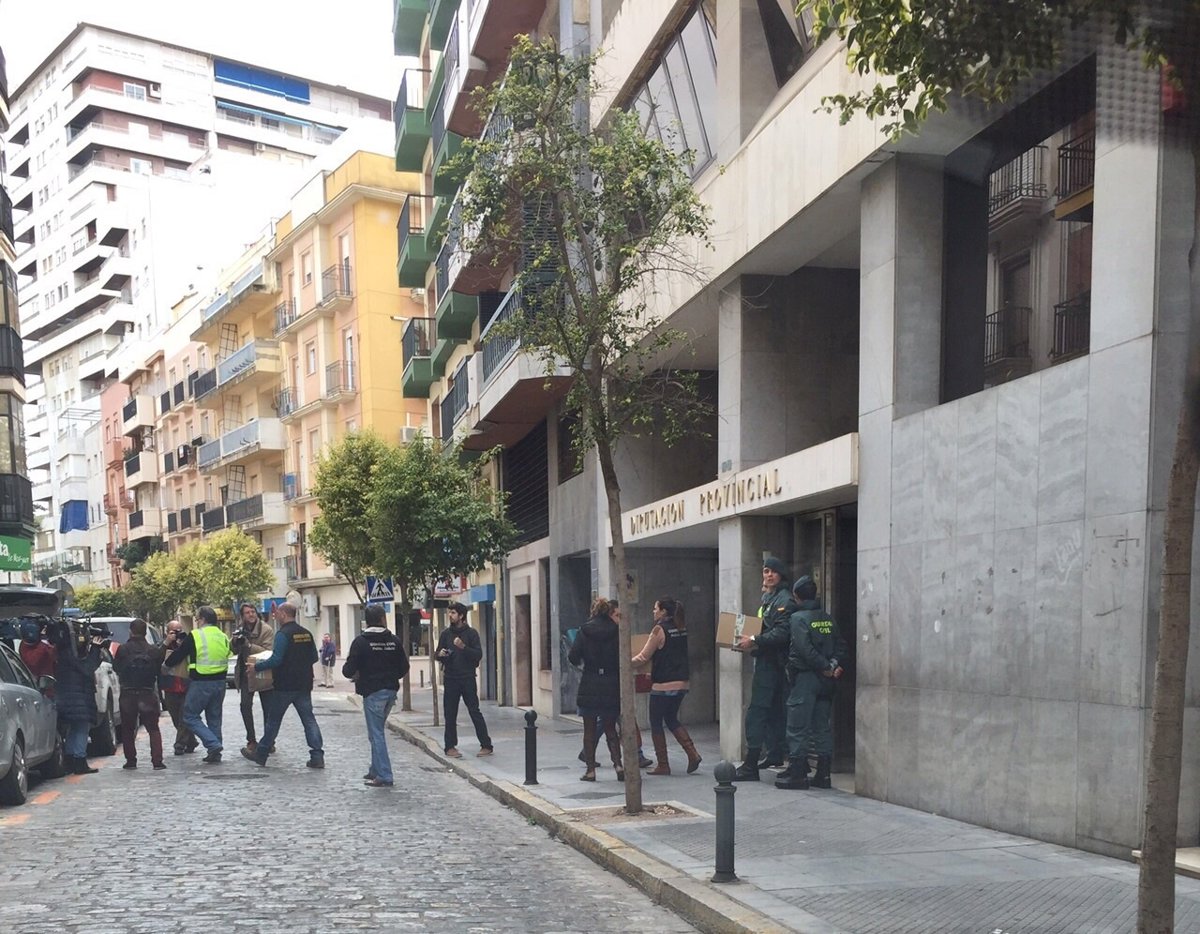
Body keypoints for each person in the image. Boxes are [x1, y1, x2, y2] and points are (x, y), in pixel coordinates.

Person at [776, 576, 848, 790]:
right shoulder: (827, 618)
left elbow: (804, 649)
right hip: (826, 681)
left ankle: (798, 774)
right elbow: (841, 646)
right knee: (821, 727)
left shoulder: (798, 618)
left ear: (796, 596)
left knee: (797, 726)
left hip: (806, 678)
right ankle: (823, 775)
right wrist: (832, 666)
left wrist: (824, 666)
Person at [733, 556, 796, 781]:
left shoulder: (784, 600)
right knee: (773, 713)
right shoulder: (769, 598)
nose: (768, 575)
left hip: (774, 665)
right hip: (768, 661)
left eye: (773, 572)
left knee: (758, 712)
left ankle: (751, 764)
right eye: (765, 571)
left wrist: (754, 639)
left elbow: (781, 633)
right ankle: (774, 753)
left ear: (781, 575)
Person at [244, 601, 324, 768]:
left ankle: (261, 753)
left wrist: (256, 667)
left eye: (278, 614)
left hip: (285, 685)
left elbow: (276, 659)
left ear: (284, 614)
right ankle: (317, 756)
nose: (276, 617)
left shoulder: (283, 634)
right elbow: (314, 657)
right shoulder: (306, 633)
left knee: (273, 721)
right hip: (304, 684)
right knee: (309, 720)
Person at [631, 597, 701, 776]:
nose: (653, 611)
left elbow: (644, 656)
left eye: (655, 608)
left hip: (662, 685)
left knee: (656, 723)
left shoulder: (659, 629)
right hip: (682, 682)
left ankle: (663, 764)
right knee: (671, 718)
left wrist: (625, 663)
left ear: (663, 611)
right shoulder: (681, 627)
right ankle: (692, 753)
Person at [342, 604, 410, 787]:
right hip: (390, 691)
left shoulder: (360, 642)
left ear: (367, 621)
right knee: (376, 731)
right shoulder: (394, 640)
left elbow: (347, 670)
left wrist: (361, 674)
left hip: (372, 692)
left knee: (376, 733)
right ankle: (375, 768)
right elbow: (404, 667)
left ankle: (384, 774)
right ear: (382, 619)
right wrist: (390, 676)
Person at [166, 605, 233, 764]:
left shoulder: (196, 635)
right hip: (220, 683)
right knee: (214, 718)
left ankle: (213, 744)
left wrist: (167, 663)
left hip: (201, 682)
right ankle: (214, 753)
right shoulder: (223, 636)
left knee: (189, 716)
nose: (197, 621)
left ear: (202, 619)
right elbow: (229, 653)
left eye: (197, 618)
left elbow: (180, 654)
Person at [568, 596, 625, 782]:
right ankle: (618, 765)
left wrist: (585, 661)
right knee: (610, 727)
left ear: (593, 610)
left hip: (590, 681)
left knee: (589, 730)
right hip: (611, 682)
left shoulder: (584, 631)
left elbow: (573, 657)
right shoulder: (616, 630)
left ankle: (591, 770)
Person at [436, 602, 493, 759]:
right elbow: (437, 654)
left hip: (467, 677)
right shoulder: (446, 634)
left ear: (461, 615)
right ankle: (450, 746)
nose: (450, 615)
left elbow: (478, 655)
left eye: (453, 613)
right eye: (449, 612)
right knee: (450, 713)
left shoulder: (471, 634)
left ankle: (486, 744)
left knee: (474, 711)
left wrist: (463, 647)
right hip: (450, 678)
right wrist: (440, 654)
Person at [112, 618, 166, 771]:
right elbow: (158, 670)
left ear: (130, 631)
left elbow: (116, 668)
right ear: (145, 632)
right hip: (147, 692)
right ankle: (157, 761)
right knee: (153, 729)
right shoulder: (153, 650)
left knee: (128, 729)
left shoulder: (122, 649)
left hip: (128, 693)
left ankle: (131, 761)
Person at [51, 621, 104, 775]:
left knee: (74, 729)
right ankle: (80, 761)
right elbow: (88, 668)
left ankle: (70, 760)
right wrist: (95, 649)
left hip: (68, 697)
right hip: (78, 698)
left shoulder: (62, 653)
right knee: (81, 729)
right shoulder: (73, 656)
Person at [232, 602, 275, 757]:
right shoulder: (240, 628)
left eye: (252, 611)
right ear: (242, 616)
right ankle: (251, 740)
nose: (251, 615)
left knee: (268, 709)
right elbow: (234, 650)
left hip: (263, 670)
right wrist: (235, 641)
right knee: (245, 706)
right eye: (247, 612)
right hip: (245, 671)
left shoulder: (266, 629)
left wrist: (249, 645)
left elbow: (268, 651)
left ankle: (269, 741)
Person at [160, 620, 197, 756]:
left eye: (179, 630)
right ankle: (191, 741)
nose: (177, 634)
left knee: (184, 717)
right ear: (167, 632)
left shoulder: (188, 643)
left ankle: (179, 745)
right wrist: (167, 642)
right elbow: (157, 658)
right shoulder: (163, 646)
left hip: (186, 685)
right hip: (170, 687)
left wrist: (183, 644)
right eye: (174, 631)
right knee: (176, 718)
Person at [18, 620, 57, 696]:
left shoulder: (43, 645)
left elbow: (54, 657)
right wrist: (43, 642)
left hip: (49, 688)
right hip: (37, 688)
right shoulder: (26, 646)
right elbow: (32, 662)